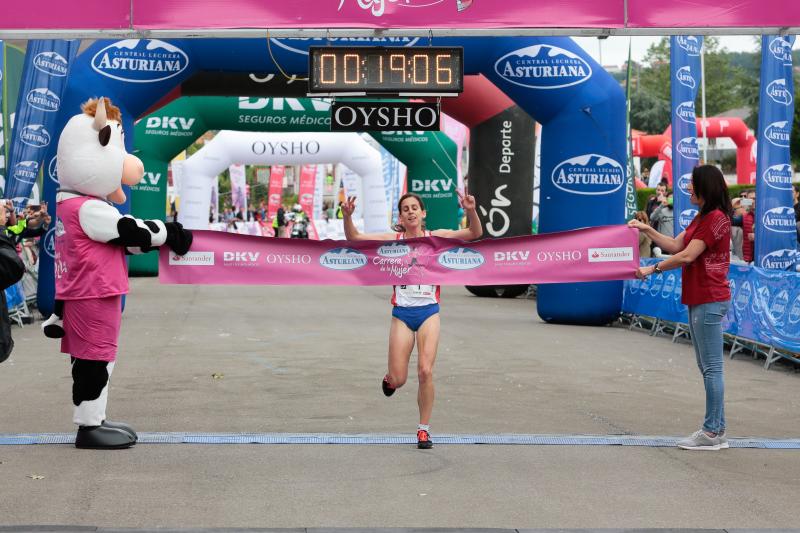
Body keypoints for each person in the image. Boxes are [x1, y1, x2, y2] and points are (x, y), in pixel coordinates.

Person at [342, 189, 483, 449]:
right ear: (401, 215)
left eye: (414, 208)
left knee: (425, 371)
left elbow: (474, 234)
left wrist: (470, 210)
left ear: (423, 213)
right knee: (399, 379)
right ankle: (389, 379)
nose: (410, 212)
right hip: (403, 314)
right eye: (405, 208)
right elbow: (354, 238)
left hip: (429, 310)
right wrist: (347, 217)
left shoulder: (436, 237)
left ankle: (423, 430)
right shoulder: (392, 239)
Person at [628, 165, 732, 451]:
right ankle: (718, 430)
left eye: (692, 186)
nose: (687, 190)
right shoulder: (704, 217)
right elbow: (675, 244)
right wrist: (646, 228)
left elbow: (686, 256)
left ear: (704, 189)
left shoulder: (714, 219)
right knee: (708, 367)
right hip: (701, 296)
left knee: (711, 368)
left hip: (709, 297)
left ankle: (711, 432)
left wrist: (652, 269)